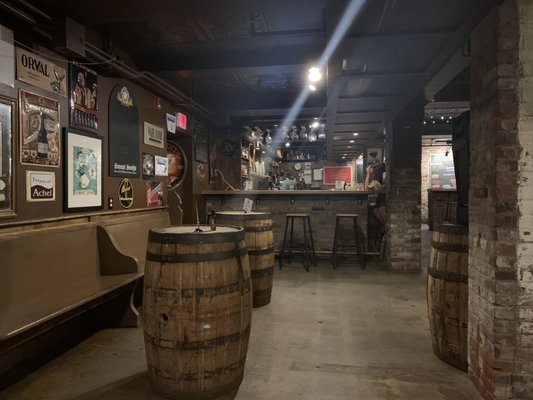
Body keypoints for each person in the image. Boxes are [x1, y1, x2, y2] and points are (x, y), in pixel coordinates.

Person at [365, 161, 387, 230]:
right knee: (374, 208)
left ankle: (385, 228)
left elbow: (366, 188)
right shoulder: (378, 181)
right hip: (381, 202)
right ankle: (385, 228)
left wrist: (368, 174)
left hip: (384, 203)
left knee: (376, 208)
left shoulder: (377, 182)